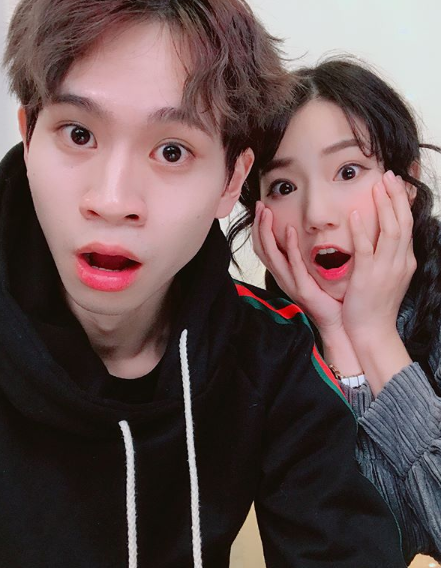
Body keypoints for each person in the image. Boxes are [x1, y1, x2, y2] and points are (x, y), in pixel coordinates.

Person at [0, 2, 407, 566]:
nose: (113, 201)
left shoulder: (270, 355)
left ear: (231, 181)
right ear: (28, 137)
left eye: (172, 151)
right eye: (78, 133)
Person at [231, 57, 441, 564]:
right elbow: (359, 546)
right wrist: (340, 337)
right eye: (283, 187)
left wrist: (375, 336)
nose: (317, 215)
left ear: (406, 185)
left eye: (348, 171)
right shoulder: (260, 349)